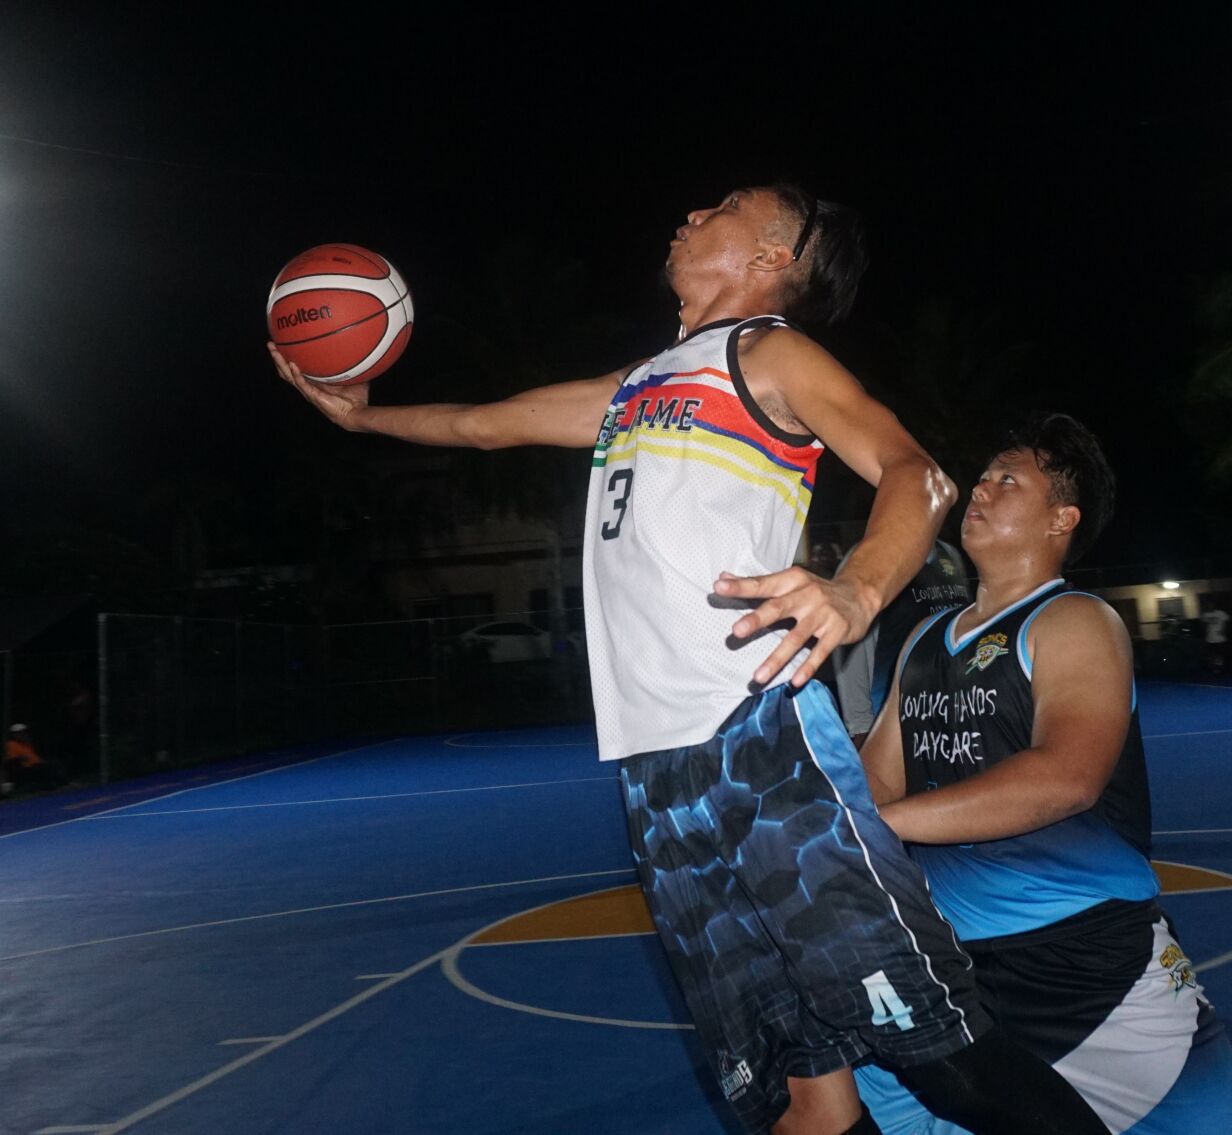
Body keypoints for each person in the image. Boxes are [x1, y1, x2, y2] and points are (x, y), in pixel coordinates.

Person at [272, 186, 1103, 1135]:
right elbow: (486, 423)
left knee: (941, 1054)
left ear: (773, 257)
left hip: (759, 740)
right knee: (800, 1099)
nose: (690, 213)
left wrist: (856, 589)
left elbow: (919, 473)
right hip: (658, 774)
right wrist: (361, 421)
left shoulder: (768, 354)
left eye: (725, 207)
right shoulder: (641, 383)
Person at [854, 413, 1232, 1135]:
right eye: (984, 477)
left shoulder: (1076, 620)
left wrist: (878, 823)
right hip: (959, 970)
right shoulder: (925, 641)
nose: (980, 489)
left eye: (1007, 479)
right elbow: (877, 781)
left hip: (1093, 968)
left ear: (1062, 517)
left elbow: (1066, 777)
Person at [832, 539, 971, 743]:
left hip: (952, 717)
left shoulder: (949, 553)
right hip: (894, 722)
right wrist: (860, 725)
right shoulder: (873, 555)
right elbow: (849, 640)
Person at [3, 723, 67, 792]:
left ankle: (62, 783)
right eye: (19, 733)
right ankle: (54, 785)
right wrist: (22, 759)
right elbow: (13, 759)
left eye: (23, 732)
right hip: (27, 767)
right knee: (46, 767)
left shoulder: (27, 743)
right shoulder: (11, 744)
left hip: (36, 764)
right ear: (14, 735)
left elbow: (34, 756)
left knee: (54, 763)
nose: (22, 734)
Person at [1199, 601, 1230, 674]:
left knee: (1220, 653)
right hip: (1210, 638)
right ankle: (1214, 668)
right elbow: (1203, 625)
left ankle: (1221, 667)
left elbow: (1227, 622)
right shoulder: (1205, 615)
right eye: (1208, 605)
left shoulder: (1220, 613)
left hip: (1220, 638)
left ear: (1214, 605)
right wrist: (1204, 634)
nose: (1210, 606)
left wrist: (1224, 630)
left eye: (1211, 604)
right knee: (1212, 654)